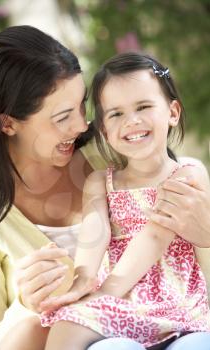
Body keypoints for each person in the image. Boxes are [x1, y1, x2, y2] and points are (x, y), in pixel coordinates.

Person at [0, 25, 210, 350]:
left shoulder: (117, 151)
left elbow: (175, 239)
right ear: (8, 123)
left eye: (82, 106)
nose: (82, 126)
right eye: (62, 117)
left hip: (180, 316)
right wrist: (25, 306)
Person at [40, 52, 210, 350]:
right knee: (66, 324)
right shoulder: (100, 181)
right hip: (123, 297)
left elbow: (156, 234)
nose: (132, 121)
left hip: (176, 297)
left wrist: (107, 292)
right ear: (104, 129)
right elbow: (96, 232)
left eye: (143, 107)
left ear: (172, 112)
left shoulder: (187, 172)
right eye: (116, 114)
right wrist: (83, 278)